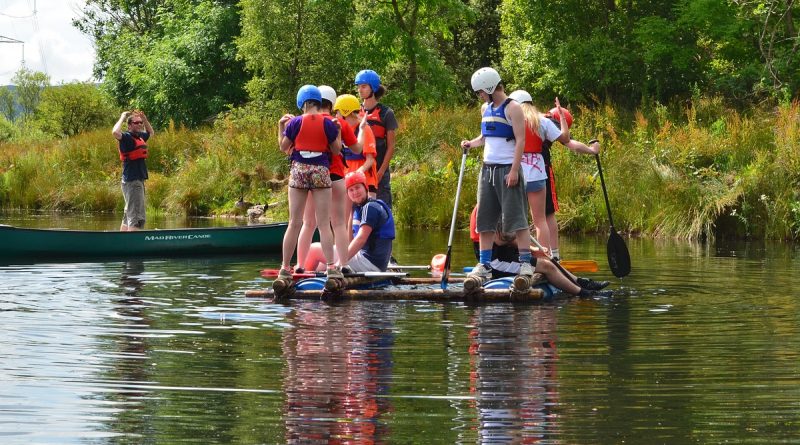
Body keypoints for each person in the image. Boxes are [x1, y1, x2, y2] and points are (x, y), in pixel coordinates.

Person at [461, 67, 533, 286]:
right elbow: (485, 137)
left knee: (517, 218)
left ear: (491, 87)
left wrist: (513, 170)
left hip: (506, 170)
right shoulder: (486, 108)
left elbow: (520, 141)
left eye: (481, 91)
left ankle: (525, 262)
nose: (480, 96)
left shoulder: (513, 108)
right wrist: (470, 144)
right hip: (488, 170)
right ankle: (485, 265)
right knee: (485, 219)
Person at [508, 90, 601, 258]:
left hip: (515, 175)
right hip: (539, 174)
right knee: (542, 219)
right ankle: (548, 258)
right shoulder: (543, 122)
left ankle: (521, 257)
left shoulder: (510, 121)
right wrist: (592, 150)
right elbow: (567, 140)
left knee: (517, 220)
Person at [294, 86, 367, 273]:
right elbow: (358, 149)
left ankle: (300, 265)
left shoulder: (307, 122)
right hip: (336, 178)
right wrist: (363, 129)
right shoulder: (338, 123)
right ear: (332, 103)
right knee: (339, 223)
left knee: (308, 223)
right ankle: (342, 265)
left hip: (314, 179)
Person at [276, 85, 342, 283]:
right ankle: (331, 268)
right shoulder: (328, 124)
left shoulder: (294, 123)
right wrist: (337, 132)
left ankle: (285, 268)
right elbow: (337, 150)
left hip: (299, 171)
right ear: (318, 102)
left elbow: (283, 147)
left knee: (294, 223)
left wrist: (281, 127)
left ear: (302, 103)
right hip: (321, 172)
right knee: (323, 224)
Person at [468, 206, 611, 297]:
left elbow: (507, 240)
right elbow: (501, 239)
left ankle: (581, 282)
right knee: (546, 266)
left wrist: (533, 249)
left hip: (504, 253)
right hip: (495, 261)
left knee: (548, 260)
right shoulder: (487, 208)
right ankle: (584, 293)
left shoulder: (502, 202)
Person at [540, 105, 600, 261]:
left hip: (519, 170)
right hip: (542, 172)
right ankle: (554, 255)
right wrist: (592, 150)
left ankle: (528, 255)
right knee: (548, 214)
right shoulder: (550, 124)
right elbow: (570, 143)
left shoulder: (531, 118)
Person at [304, 171, 395, 273]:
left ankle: (301, 280)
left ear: (365, 187)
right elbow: (350, 241)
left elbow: (361, 239)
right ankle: (311, 274)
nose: (355, 192)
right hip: (369, 260)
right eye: (351, 190)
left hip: (369, 262)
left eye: (357, 187)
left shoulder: (370, 207)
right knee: (322, 264)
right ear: (347, 194)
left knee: (314, 250)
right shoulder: (359, 208)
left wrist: (340, 263)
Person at [355, 69, 398, 209]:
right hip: (360, 170)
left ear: (373, 88)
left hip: (379, 171)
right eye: (358, 86)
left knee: (382, 211)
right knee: (358, 213)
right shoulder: (355, 112)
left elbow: (391, 146)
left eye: (363, 86)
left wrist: (380, 172)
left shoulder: (386, 113)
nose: (359, 90)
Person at [112, 110, 154, 231]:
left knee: (129, 214)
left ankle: (121, 242)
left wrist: (144, 119)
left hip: (135, 180)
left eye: (140, 123)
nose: (140, 124)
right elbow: (115, 132)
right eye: (136, 122)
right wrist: (122, 117)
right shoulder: (127, 137)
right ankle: (133, 245)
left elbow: (151, 132)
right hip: (133, 181)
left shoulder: (140, 137)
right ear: (129, 125)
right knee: (136, 216)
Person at [336, 94, 379, 198]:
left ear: (346, 112)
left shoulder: (364, 129)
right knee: (348, 213)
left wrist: (357, 173)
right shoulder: (341, 129)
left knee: (367, 211)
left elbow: (370, 160)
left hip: (365, 178)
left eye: (338, 112)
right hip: (347, 178)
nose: (336, 115)